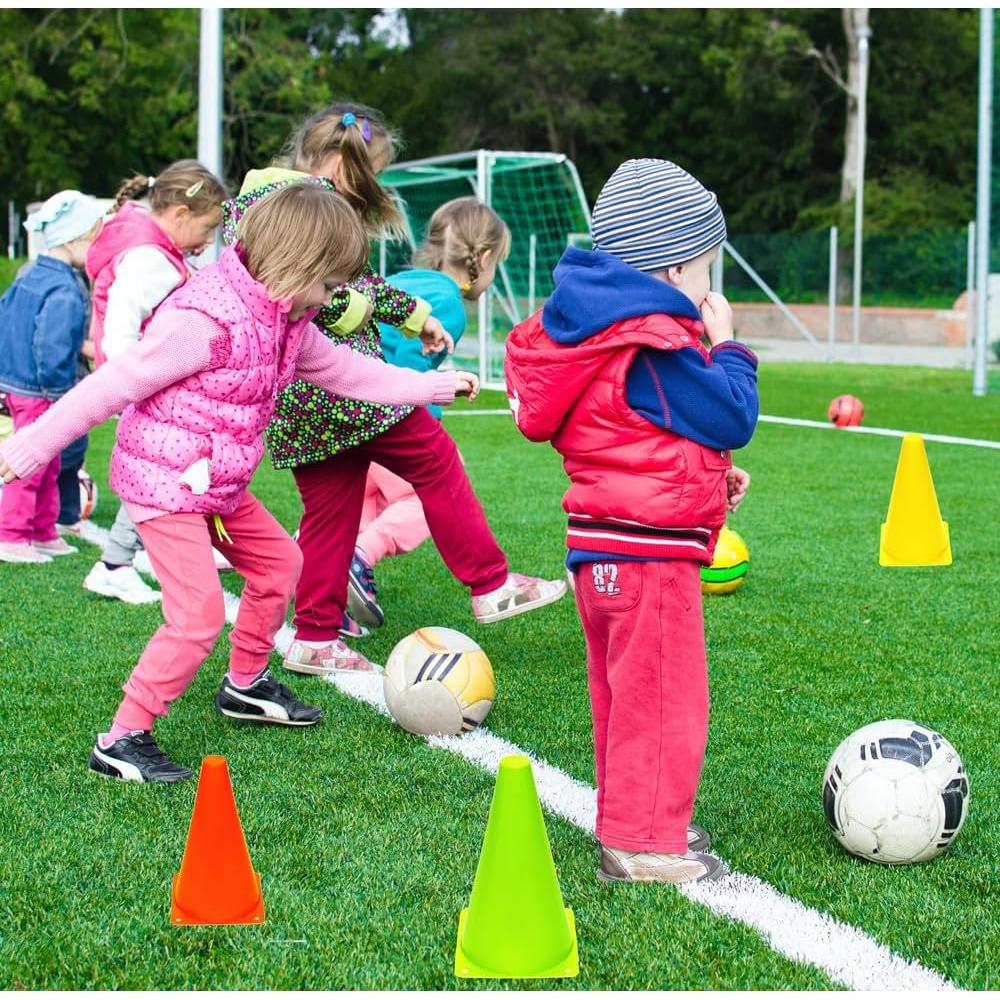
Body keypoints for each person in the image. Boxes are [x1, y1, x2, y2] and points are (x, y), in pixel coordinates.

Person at [0, 182, 479, 783]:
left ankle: (246, 685)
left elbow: (348, 372)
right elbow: (111, 385)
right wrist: (30, 447)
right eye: (330, 285)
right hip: (165, 485)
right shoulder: (203, 321)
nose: (334, 299)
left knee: (282, 565)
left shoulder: (288, 318)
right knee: (197, 615)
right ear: (295, 265)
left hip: (217, 484)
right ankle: (122, 738)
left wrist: (432, 386)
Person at [223, 102, 566, 676]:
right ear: (338, 162)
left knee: (332, 512)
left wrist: (414, 318)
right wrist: (371, 319)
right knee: (435, 460)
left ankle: (313, 636)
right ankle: (490, 583)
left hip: (298, 400)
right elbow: (321, 296)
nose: (371, 187)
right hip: (341, 387)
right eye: (370, 173)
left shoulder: (261, 198)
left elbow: (356, 282)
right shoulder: (300, 204)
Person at [505, 159, 759, 885]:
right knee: (661, 700)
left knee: (625, 698)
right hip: (646, 559)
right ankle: (643, 843)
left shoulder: (599, 334)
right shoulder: (651, 341)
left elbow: (633, 435)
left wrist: (709, 480)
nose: (711, 285)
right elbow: (731, 412)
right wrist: (729, 345)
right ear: (675, 264)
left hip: (606, 548)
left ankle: (636, 818)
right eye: (707, 267)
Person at [349, 197, 513, 636]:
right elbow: (402, 361)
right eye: (496, 263)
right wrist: (433, 398)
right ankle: (360, 555)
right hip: (384, 418)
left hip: (344, 415)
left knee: (361, 503)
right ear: (481, 259)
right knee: (430, 495)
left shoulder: (402, 280)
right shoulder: (448, 303)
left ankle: (330, 586)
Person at [82, 160, 229, 606]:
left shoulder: (155, 250)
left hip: (148, 385)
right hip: (146, 388)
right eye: (207, 229)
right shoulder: (149, 260)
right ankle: (114, 564)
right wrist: (138, 384)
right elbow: (121, 331)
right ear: (180, 215)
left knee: (170, 470)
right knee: (161, 473)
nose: (207, 244)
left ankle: (130, 557)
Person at [0, 190, 105, 563]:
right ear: (74, 240)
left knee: (50, 461)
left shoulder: (29, 274)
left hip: (20, 384)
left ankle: (42, 530)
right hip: (40, 389)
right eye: (94, 238)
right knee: (31, 462)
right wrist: (60, 392)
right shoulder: (64, 287)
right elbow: (52, 344)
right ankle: (12, 535)